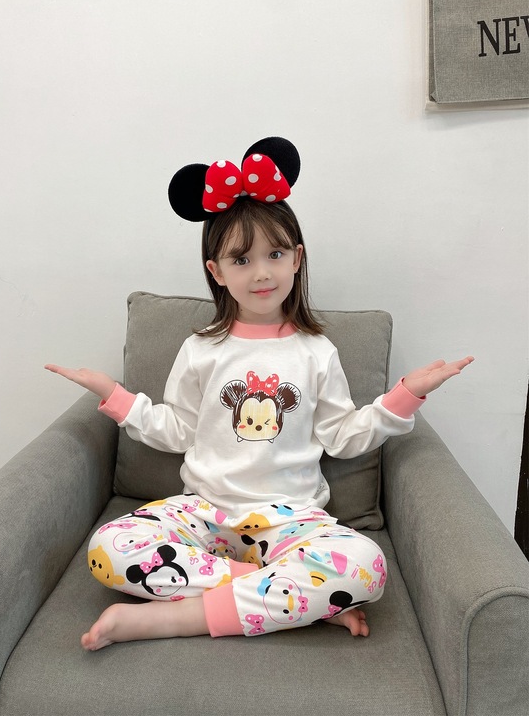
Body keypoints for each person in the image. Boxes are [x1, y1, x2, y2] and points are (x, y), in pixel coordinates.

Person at [46, 137, 473, 651]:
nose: (263, 272)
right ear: (216, 271)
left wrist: (405, 395)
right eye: (242, 259)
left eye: (275, 254)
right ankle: (288, 599)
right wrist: (115, 397)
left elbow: (343, 437)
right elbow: (177, 430)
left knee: (367, 568)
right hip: (203, 514)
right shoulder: (200, 349)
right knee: (109, 548)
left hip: (291, 522)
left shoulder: (317, 352)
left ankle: (171, 618)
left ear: (296, 259)